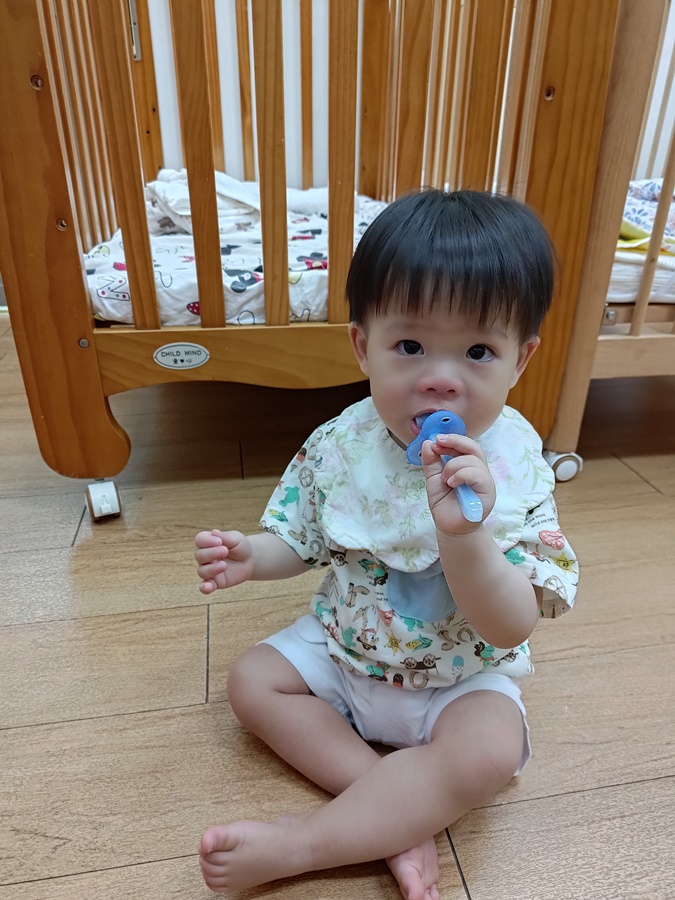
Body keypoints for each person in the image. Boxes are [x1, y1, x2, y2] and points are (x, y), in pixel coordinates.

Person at [194, 189, 579, 899]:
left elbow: (511, 625)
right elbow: (302, 539)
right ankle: (393, 807)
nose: (439, 378)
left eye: (477, 351)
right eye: (409, 346)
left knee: (490, 750)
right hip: (346, 649)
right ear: (361, 345)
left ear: (520, 360)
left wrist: (465, 537)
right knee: (252, 682)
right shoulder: (340, 443)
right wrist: (253, 555)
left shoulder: (517, 464)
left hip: (459, 677)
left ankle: (305, 844)